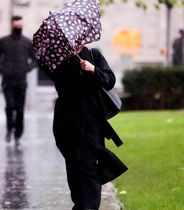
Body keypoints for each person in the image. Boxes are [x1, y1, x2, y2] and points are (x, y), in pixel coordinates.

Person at [41, 45, 127, 210]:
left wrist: (93, 69)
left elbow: (109, 81)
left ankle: (88, 207)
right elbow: (58, 81)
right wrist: (68, 61)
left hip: (92, 123)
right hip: (66, 123)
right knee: (73, 168)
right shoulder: (58, 58)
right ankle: (81, 205)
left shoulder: (94, 55)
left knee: (89, 167)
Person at [0, 15, 36, 146]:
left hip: (21, 81)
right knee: (10, 106)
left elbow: (35, 60)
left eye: (19, 24)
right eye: (16, 24)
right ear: (12, 24)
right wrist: (2, 69)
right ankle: (9, 129)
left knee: (20, 109)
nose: (18, 26)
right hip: (7, 81)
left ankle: (18, 134)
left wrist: (27, 68)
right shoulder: (4, 41)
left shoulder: (27, 42)